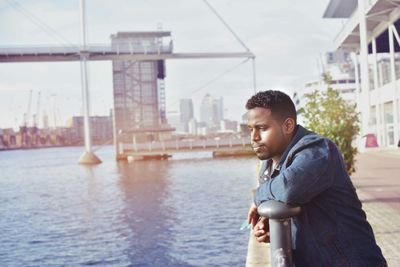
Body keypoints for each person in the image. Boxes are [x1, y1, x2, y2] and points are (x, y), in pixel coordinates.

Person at [246, 90, 386, 267]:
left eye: (262, 128)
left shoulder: (317, 150)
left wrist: (258, 196)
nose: (254, 138)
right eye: (250, 129)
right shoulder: (269, 165)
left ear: (288, 125)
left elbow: (289, 189)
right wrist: (273, 226)